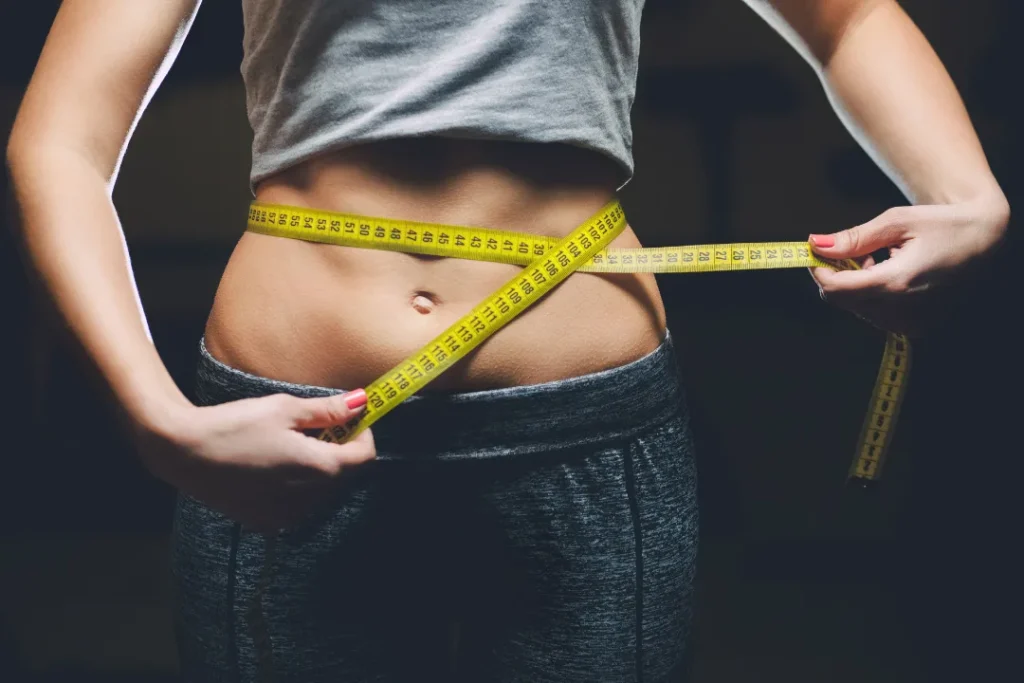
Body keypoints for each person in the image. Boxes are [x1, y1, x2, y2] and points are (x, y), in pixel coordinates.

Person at [6, 0, 1008, 681]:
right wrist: (152, 421)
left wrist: (968, 192)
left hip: (588, 417)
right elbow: (59, 137)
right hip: (276, 424)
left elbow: (849, 15)